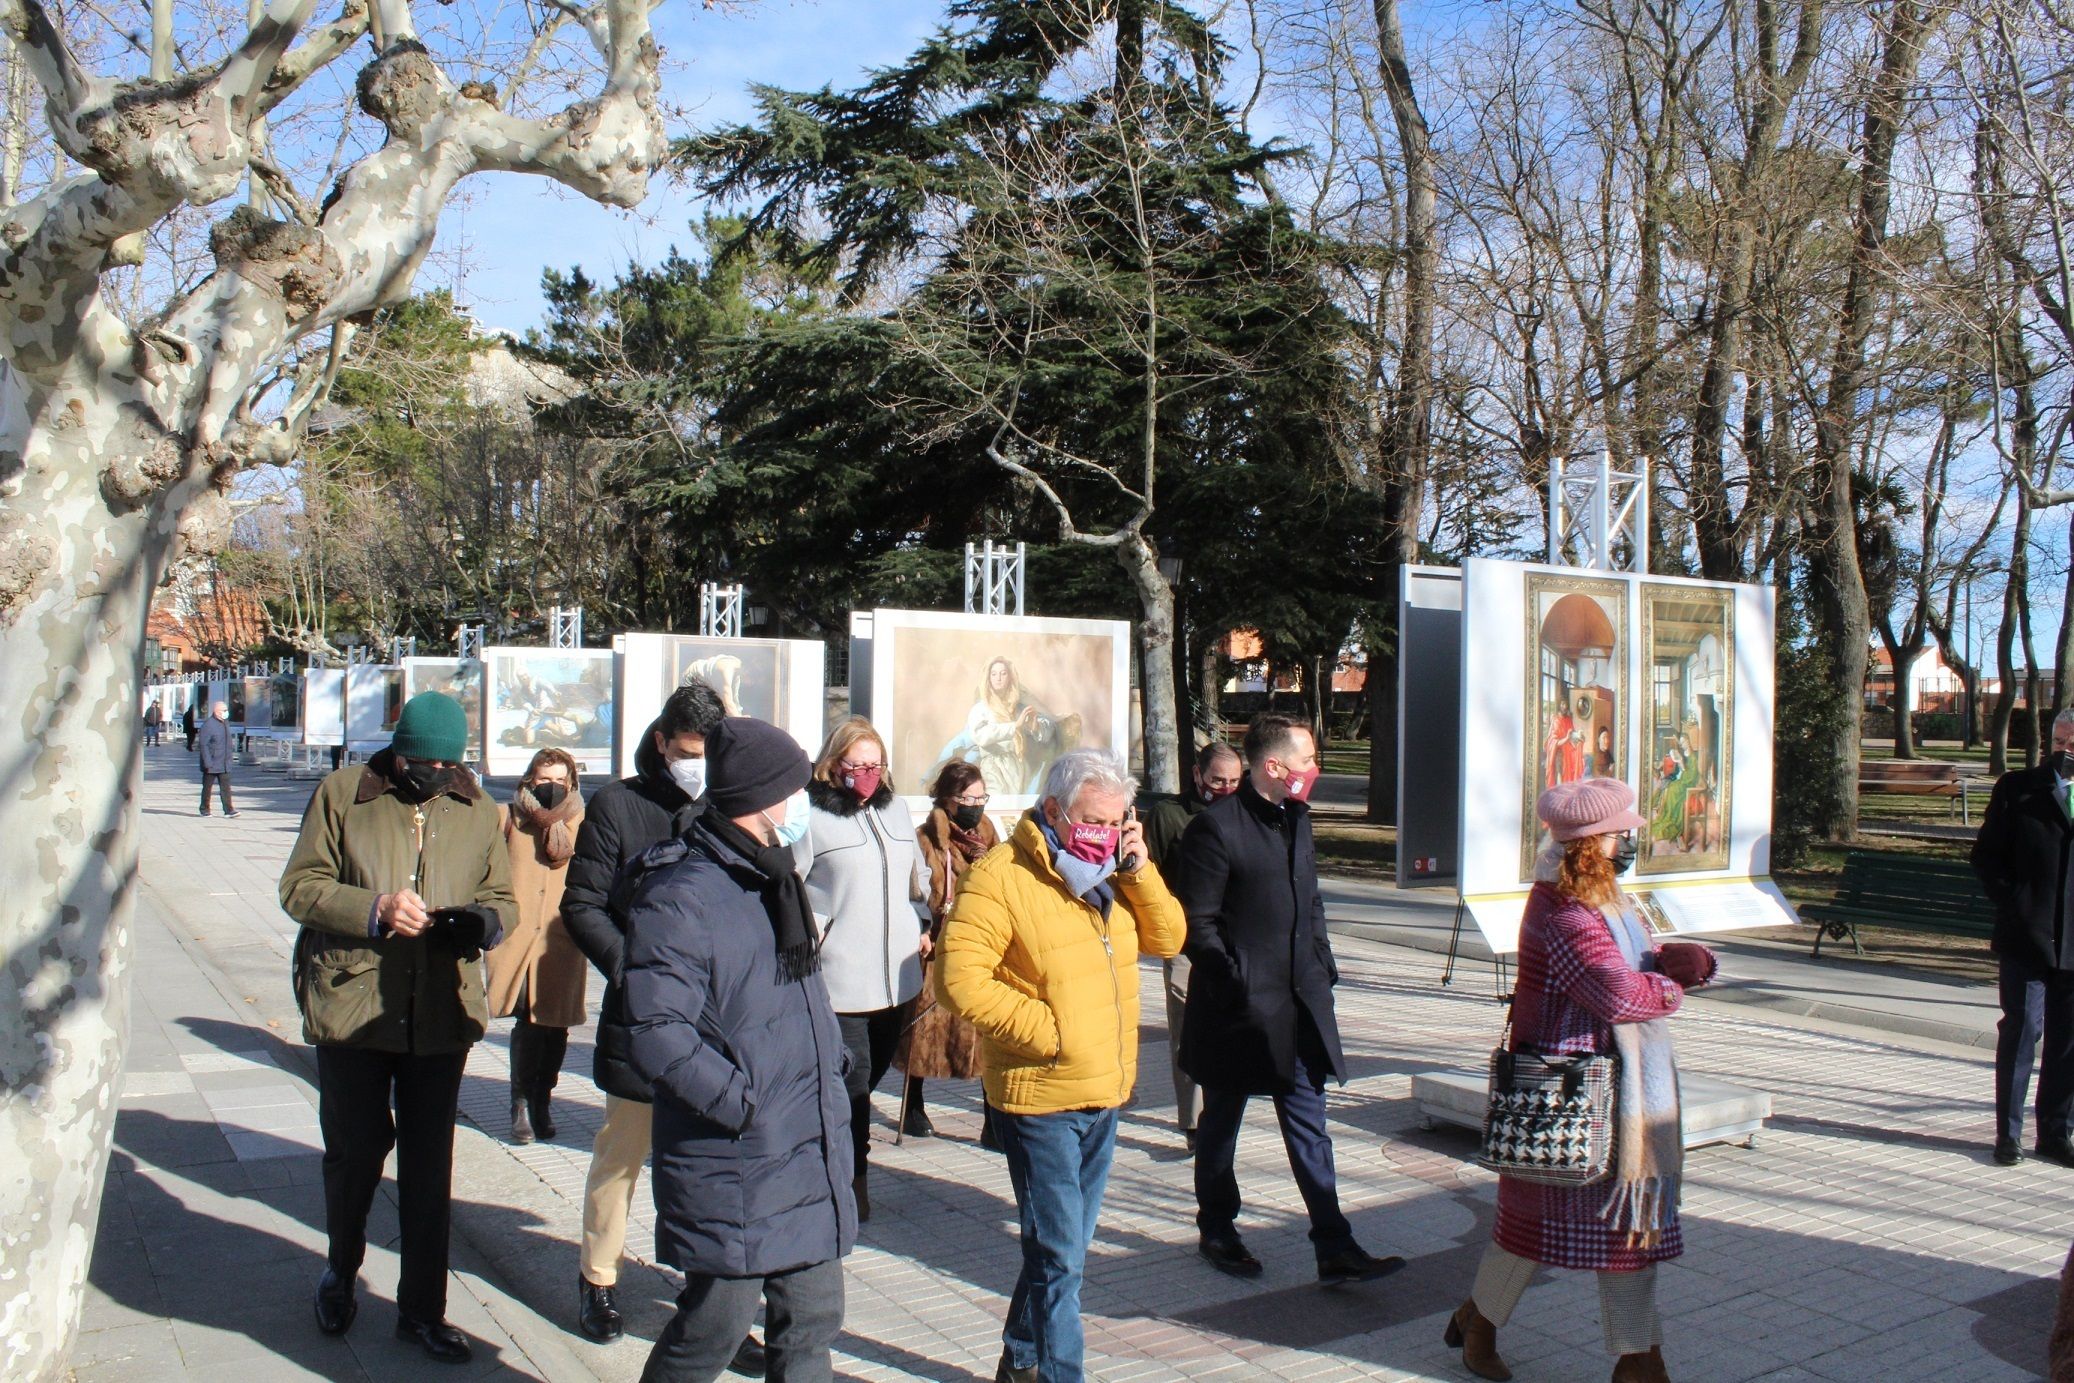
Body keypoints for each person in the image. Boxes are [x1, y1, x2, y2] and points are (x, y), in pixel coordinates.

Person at [1447, 776, 1714, 1383]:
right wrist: (1677, 986)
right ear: (1594, 842)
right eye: (1622, 833)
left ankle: (1637, 1360)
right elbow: (1615, 992)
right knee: (1528, 1232)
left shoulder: (1605, 896)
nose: (1629, 842)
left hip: (1616, 1097)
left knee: (1627, 1234)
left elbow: (1631, 966)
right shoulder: (1565, 909)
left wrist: (1684, 959)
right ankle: (1480, 1322)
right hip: (1572, 1097)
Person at [936, 748, 1186, 1383]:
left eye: (1115, 820)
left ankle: (1020, 1356)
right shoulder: (1002, 874)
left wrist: (1139, 868)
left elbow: (1169, 938)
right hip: (1040, 1097)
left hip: (1104, 1092)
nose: (1102, 833)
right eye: (1091, 820)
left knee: (1060, 1249)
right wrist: (1051, 1032)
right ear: (1052, 810)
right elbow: (959, 980)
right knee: (1061, 1257)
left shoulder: (1114, 874)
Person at [279, 691, 514, 1363]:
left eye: (448, 763)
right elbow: (300, 886)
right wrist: (375, 908)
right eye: (422, 761)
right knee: (354, 1153)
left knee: (429, 1165)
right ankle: (341, 1268)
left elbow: (502, 897)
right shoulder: (343, 792)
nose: (435, 773)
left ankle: (422, 1309)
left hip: (440, 1011)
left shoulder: (477, 808)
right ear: (397, 749)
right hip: (354, 1008)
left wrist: (484, 923)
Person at [622, 716, 855, 1383]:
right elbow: (656, 1032)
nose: (805, 802)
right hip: (736, 1156)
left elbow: (803, 997)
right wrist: (741, 1103)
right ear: (762, 799)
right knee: (713, 1328)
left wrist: (830, 1070)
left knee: (810, 1324)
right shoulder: (682, 895)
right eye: (797, 789)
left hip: (803, 1146)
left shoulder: (776, 879)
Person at [562, 681, 766, 1375]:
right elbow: (584, 905)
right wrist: (640, 970)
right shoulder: (618, 805)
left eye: (708, 756)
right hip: (646, 1018)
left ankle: (716, 1310)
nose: (697, 767)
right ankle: (597, 1277)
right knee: (624, 1153)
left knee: (713, 1170)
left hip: (718, 1021)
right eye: (687, 753)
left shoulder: (724, 803)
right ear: (662, 742)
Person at [1176, 715, 1397, 1286]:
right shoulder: (1216, 828)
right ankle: (1217, 1228)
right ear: (1274, 767)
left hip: (1298, 1008)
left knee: (1309, 1124)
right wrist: (1238, 983)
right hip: (1237, 1014)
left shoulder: (1297, 819)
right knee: (1220, 1123)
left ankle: (1334, 1243)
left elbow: (1311, 899)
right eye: (1306, 761)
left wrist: (1322, 964)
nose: (1313, 771)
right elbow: (1197, 926)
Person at [791, 716, 930, 1219]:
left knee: (869, 1077)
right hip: (840, 974)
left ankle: (820, 1143)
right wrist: (815, 930)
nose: (869, 774)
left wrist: (923, 918)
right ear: (834, 764)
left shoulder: (897, 811)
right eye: (858, 765)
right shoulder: (809, 814)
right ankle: (853, 1180)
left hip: (897, 974)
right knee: (854, 1081)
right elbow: (792, 884)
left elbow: (919, 877)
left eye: (877, 765)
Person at [1971, 709, 2074, 1168]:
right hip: (2025, 936)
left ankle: (2055, 1132)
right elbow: (1986, 858)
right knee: (2022, 1030)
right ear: (2052, 740)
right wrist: (2014, 901)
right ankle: (2008, 1134)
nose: (2068, 747)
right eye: (2063, 738)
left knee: (2068, 1041)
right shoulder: (2018, 788)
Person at [1139, 739, 1244, 1149]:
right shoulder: (1169, 816)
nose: (1226, 788)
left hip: (1233, 938)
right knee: (1186, 1025)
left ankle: (1225, 1103)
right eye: (1218, 779)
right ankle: (1195, 1122)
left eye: (1235, 780)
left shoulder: (1245, 813)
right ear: (1197, 775)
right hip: (1184, 941)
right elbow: (1149, 877)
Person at [489, 747, 588, 1145]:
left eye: (559, 781)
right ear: (530, 779)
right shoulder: (508, 818)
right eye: (543, 780)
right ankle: (521, 1105)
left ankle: (543, 1097)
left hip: (560, 937)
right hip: (517, 936)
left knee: (556, 1024)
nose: (550, 788)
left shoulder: (582, 819)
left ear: (571, 783)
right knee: (527, 1021)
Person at [903, 760, 1000, 1146]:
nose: (976, 805)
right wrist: (922, 926)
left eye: (981, 797)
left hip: (983, 948)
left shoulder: (991, 836)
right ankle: (913, 1103)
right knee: (924, 1033)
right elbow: (911, 892)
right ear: (948, 798)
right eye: (968, 797)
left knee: (986, 1036)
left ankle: (994, 1118)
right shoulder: (926, 840)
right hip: (939, 945)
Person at [197, 700, 239, 818]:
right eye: (224, 710)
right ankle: (204, 809)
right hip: (211, 763)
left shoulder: (225, 723)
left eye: (226, 710)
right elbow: (203, 745)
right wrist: (207, 762)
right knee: (207, 787)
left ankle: (229, 810)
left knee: (226, 788)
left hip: (224, 762)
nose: (226, 713)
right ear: (216, 712)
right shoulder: (208, 725)